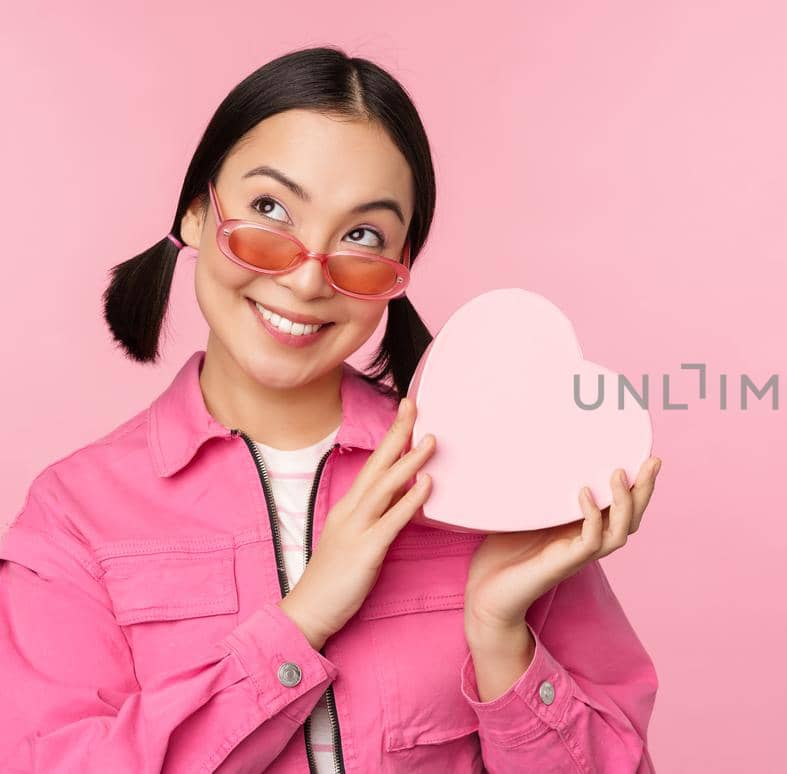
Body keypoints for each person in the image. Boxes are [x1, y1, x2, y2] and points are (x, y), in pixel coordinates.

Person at [0, 46, 662, 773]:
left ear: (399, 268)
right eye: (269, 210)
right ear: (194, 213)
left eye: (361, 236)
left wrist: (499, 635)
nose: (309, 276)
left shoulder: (492, 476)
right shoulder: (74, 517)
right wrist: (303, 619)